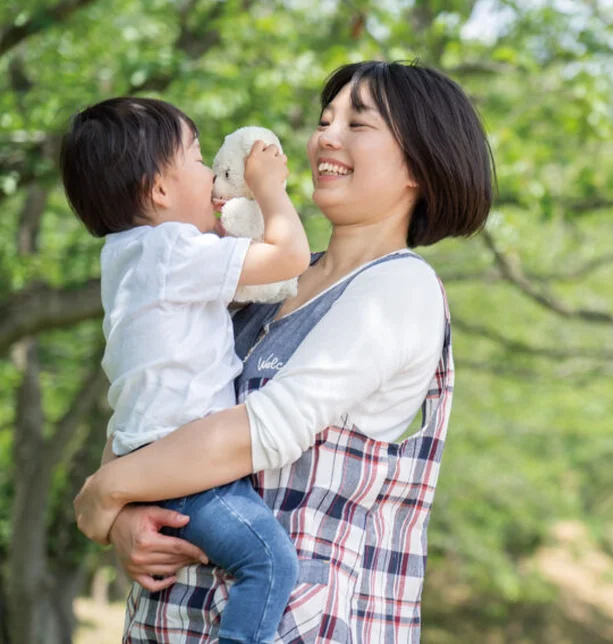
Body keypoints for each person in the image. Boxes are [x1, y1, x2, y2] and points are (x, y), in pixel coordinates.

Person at [73, 61, 495, 643]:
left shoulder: (398, 289)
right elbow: (150, 401)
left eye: (358, 123)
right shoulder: (263, 284)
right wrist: (123, 519)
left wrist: (105, 492)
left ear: (420, 164)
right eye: (326, 120)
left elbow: (261, 432)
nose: (326, 135)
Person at [60, 97, 311, 643]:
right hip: (183, 469)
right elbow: (289, 258)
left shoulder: (126, 256)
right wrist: (270, 189)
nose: (210, 175)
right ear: (159, 191)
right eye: (199, 161)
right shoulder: (174, 248)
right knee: (269, 561)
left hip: (140, 456)